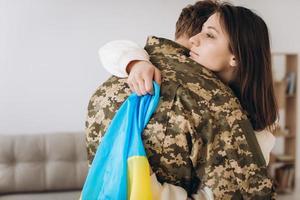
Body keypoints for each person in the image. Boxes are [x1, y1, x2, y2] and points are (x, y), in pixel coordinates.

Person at [88, 1, 277, 199]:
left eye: (210, 35)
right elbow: (113, 48)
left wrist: (156, 192)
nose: (194, 39)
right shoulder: (187, 82)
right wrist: (136, 62)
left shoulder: (233, 113)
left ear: (235, 57)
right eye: (201, 30)